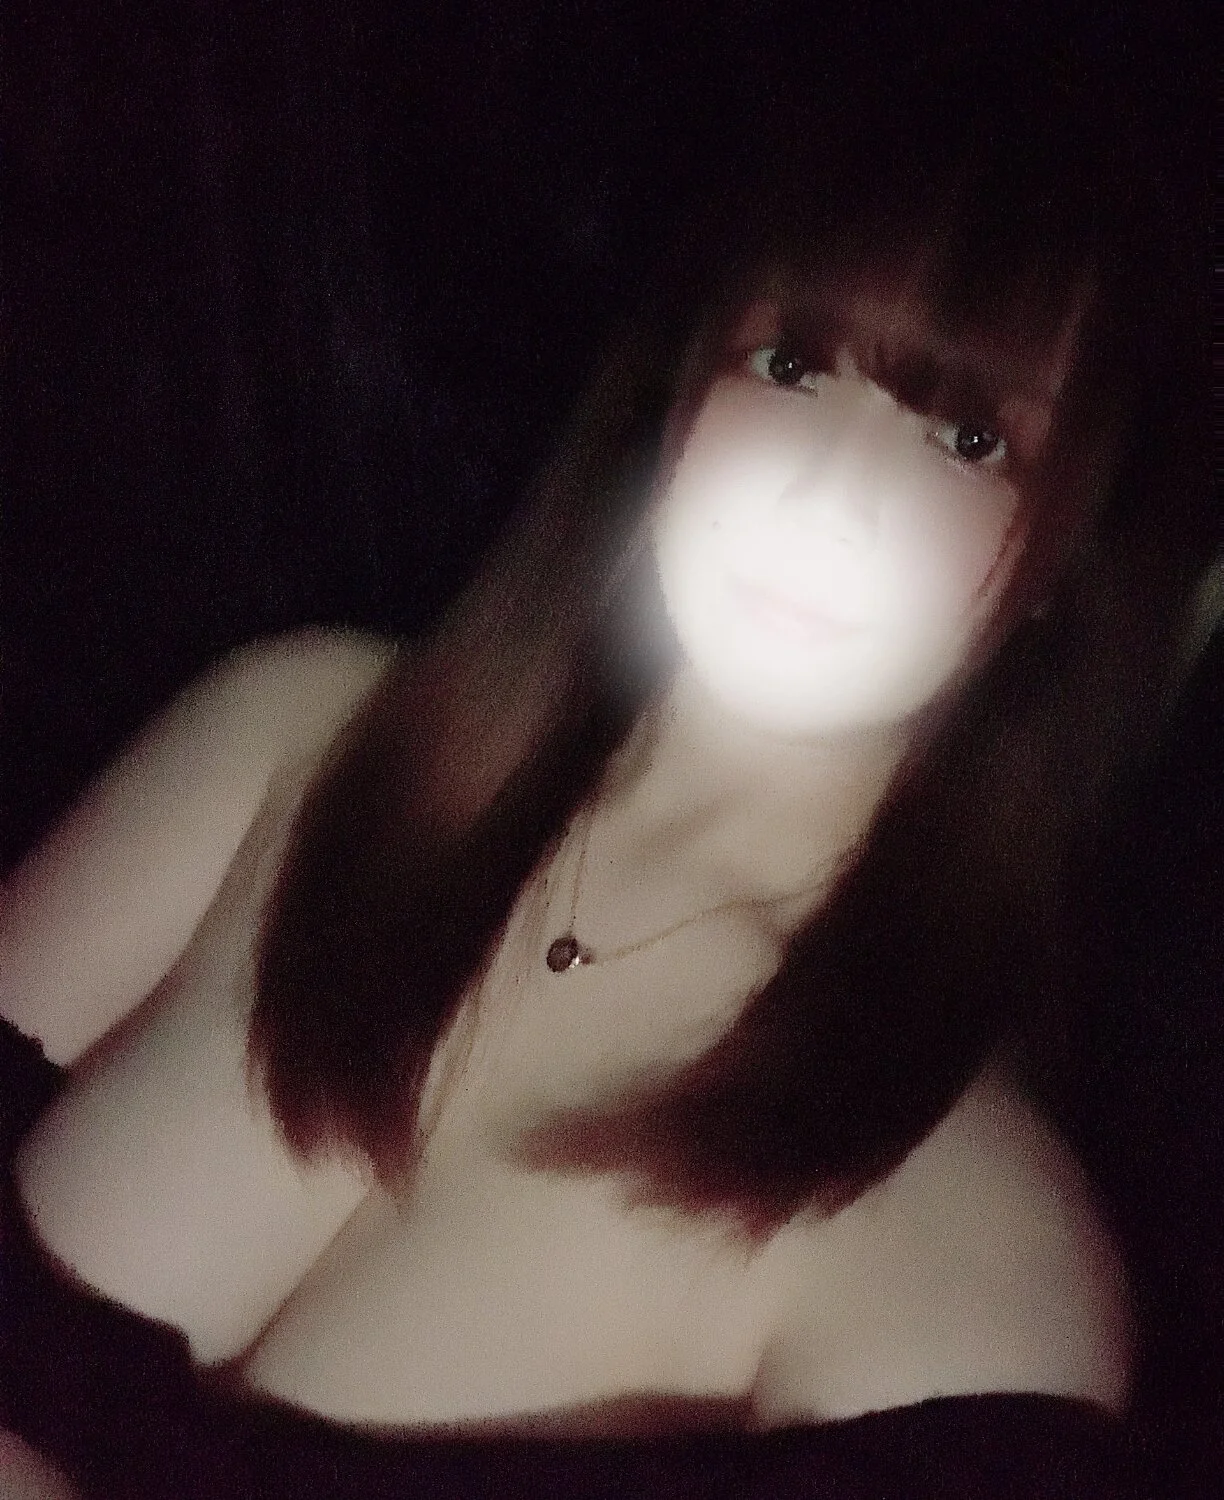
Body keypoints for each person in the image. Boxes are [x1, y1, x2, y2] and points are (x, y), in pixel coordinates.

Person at [0, 59, 1210, 1499]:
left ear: (1072, 562)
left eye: (968, 439)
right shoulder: (293, 740)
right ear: (682, 389)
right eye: (793, 366)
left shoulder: (973, 1253)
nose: (831, 490)